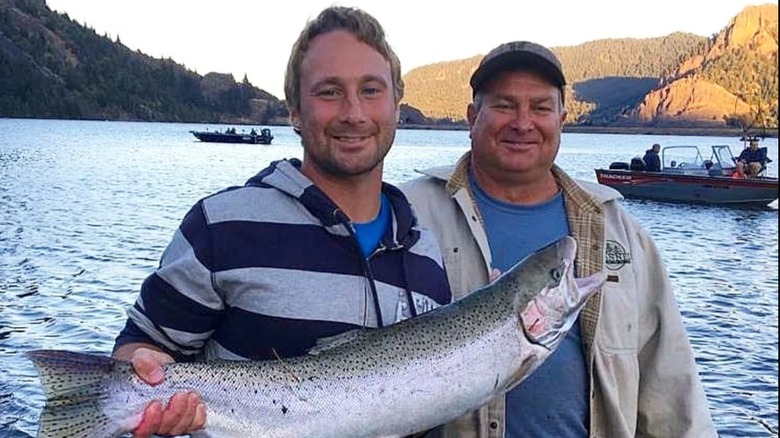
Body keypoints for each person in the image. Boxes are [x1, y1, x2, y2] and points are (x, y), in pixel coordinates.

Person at [112, 6, 452, 437]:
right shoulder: (222, 226)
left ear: (396, 105)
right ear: (294, 111)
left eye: (371, 90)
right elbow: (137, 349)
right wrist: (146, 372)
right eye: (329, 92)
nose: (353, 112)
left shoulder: (424, 249)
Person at [402, 41, 717, 437]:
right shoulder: (405, 215)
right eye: (503, 105)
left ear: (562, 120)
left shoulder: (619, 229)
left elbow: (669, 382)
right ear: (471, 117)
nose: (522, 122)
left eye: (540, 107)